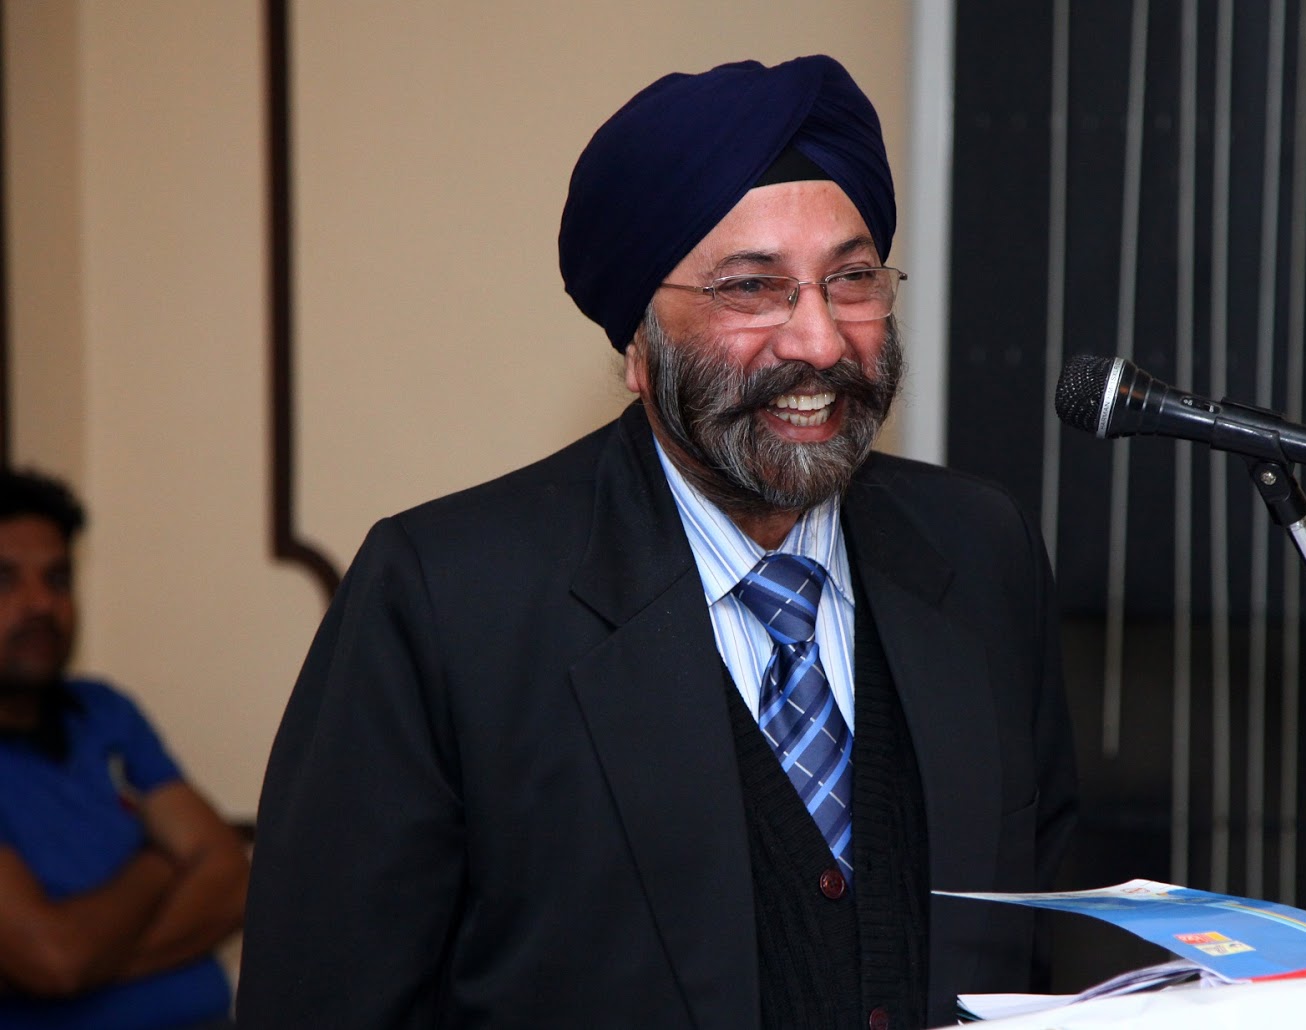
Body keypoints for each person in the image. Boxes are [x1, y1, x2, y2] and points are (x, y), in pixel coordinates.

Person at [238, 55, 1077, 1029]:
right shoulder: (446, 600)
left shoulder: (981, 549)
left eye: (851, 278)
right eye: (750, 288)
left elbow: (1054, 945)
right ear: (639, 344)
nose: (818, 341)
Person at [0, 469, 249, 1029]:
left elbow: (234, 882)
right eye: (4, 579)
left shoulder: (104, 713)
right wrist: (160, 864)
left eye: (58, 579)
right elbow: (56, 959)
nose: (40, 604)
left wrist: (89, 962)